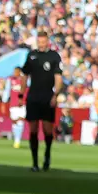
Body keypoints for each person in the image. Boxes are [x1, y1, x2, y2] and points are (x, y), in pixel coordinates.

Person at [20, 30, 62, 172]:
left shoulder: (54, 56)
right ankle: (34, 162)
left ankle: (47, 154)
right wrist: (21, 93)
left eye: (43, 42)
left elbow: (58, 77)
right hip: (33, 97)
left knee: (47, 129)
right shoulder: (31, 56)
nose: (41, 44)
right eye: (39, 42)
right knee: (32, 129)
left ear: (48, 42)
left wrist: (55, 94)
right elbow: (24, 76)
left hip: (47, 97)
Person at [8, 71, 27, 149]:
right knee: (14, 122)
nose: (14, 73)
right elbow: (7, 91)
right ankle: (16, 138)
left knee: (20, 120)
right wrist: (5, 100)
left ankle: (17, 140)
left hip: (22, 104)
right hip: (13, 104)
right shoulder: (10, 80)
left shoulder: (25, 81)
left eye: (16, 71)